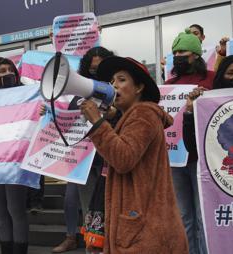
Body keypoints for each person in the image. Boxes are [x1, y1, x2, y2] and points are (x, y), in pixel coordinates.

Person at [80, 56, 188, 253]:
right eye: (112, 81)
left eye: (121, 80)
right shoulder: (131, 116)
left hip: (143, 233)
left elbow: (123, 159)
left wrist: (97, 123)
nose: (114, 86)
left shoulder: (143, 114)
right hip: (141, 227)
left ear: (139, 87)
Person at [182, 55, 233, 254]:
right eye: (230, 73)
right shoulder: (207, 105)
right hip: (217, 184)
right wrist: (191, 113)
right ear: (221, 76)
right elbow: (192, 146)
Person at [51, 46, 115, 253]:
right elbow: (70, 125)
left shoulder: (116, 92)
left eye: (100, 67)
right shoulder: (78, 96)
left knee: (111, 210)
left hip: (108, 160)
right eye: (92, 67)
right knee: (90, 211)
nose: (95, 70)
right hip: (85, 162)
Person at [165, 28, 216, 254]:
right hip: (177, 160)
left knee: (203, 216)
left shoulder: (212, 79)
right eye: (175, 53)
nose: (178, 57)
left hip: (204, 158)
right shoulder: (169, 82)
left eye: (183, 52)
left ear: (196, 54)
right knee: (183, 216)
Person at [0, 57, 29, 254]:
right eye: (1, 71)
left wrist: (39, 110)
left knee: (15, 210)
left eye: (10, 70)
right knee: (0, 213)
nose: (7, 73)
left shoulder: (26, 95)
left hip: (15, 162)